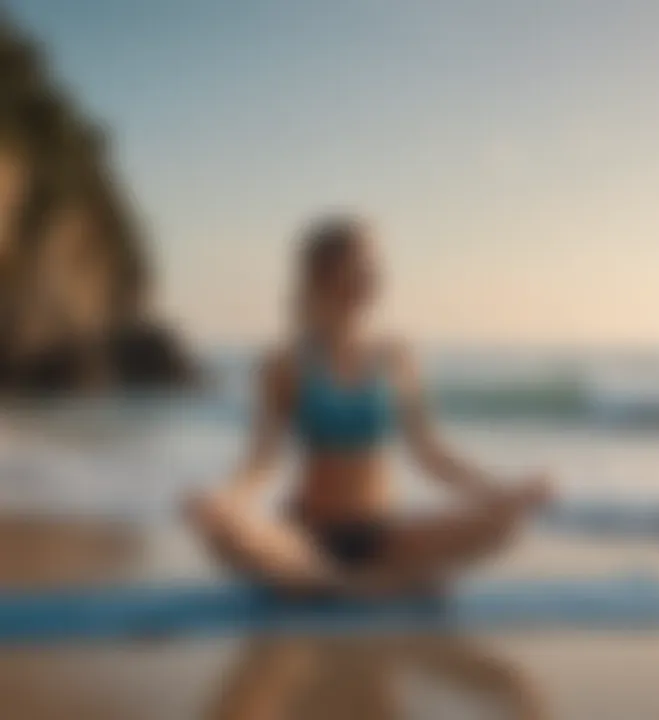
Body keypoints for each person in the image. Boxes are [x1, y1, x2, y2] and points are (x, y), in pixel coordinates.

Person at [189, 215, 551, 595]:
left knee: (505, 523)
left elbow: (431, 453)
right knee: (229, 536)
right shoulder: (285, 362)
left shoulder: (396, 356)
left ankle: (333, 585)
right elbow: (261, 461)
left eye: (376, 265)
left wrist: (500, 493)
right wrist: (224, 502)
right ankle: (355, 583)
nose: (375, 275)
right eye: (363, 264)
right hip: (308, 533)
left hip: (384, 538)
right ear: (325, 272)